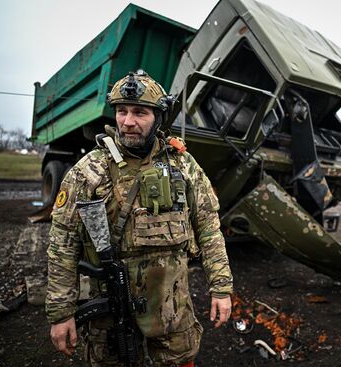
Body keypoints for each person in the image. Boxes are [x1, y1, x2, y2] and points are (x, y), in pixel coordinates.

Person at [45, 70, 233, 366]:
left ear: (159, 117)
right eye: (122, 111)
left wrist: (221, 288)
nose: (128, 121)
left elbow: (209, 228)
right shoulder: (89, 170)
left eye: (140, 112)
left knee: (181, 358)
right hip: (110, 305)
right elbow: (62, 245)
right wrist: (61, 313)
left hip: (172, 302)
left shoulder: (183, 164)